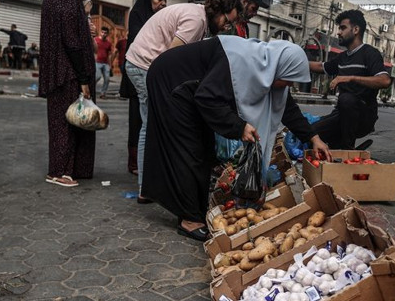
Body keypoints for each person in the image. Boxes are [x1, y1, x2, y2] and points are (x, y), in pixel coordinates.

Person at [142, 37, 331, 241]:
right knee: (189, 149)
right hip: (171, 79)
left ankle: (195, 210)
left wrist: (313, 137)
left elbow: (287, 108)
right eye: (289, 79)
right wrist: (239, 126)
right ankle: (188, 219)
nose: (289, 85)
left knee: (205, 150)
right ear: (279, 67)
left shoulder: (266, 66)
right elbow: (207, 97)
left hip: (193, 87)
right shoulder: (241, 61)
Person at [124, 0, 243, 203]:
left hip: (146, 62)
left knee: (154, 123)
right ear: (218, 12)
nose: (227, 27)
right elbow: (171, 60)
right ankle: (146, 188)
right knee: (152, 124)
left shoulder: (201, 19)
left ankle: (151, 185)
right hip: (143, 64)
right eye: (227, 21)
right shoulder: (196, 21)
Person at [38, 0, 96, 188]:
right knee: (69, 123)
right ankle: (60, 171)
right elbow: (73, 44)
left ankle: (70, 168)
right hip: (68, 74)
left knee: (66, 121)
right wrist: (83, 79)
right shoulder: (67, 3)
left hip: (60, 73)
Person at [309, 10, 391, 150]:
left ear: (356, 30)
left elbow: (384, 81)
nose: (338, 33)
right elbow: (319, 66)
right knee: (311, 132)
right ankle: (339, 147)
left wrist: (351, 78)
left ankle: (348, 150)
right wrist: (291, 60)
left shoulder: (370, 53)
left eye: (342, 28)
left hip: (363, 116)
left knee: (346, 99)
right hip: (341, 115)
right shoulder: (342, 57)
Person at [119, 0, 169, 176]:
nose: (163, 3)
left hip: (153, 74)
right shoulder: (138, 14)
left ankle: (147, 160)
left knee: (149, 120)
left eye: (165, 0)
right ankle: (134, 163)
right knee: (137, 120)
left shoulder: (163, 16)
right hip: (138, 73)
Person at [93, 26, 113, 98]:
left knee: (107, 79)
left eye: (105, 33)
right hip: (97, 62)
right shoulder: (95, 40)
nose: (103, 34)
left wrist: (110, 65)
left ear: (107, 34)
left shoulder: (108, 43)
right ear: (100, 32)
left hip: (105, 63)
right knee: (97, 77)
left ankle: (103, 93)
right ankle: (91, 89)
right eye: (102, 32)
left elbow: (110, 55)